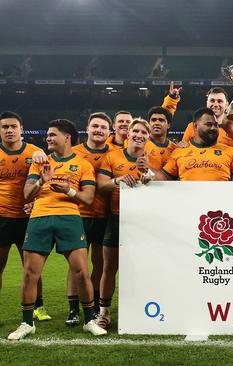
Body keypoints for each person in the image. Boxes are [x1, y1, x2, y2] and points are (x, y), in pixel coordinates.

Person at [8, 119, 106, 340]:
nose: (48, 138)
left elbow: (88, 198)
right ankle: (26, 322)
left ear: (67, 137)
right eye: (47, 135)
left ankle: (89, 319)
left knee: (81, 272)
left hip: (70, 219)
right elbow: (26, 194)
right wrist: (42, 182)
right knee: (30, 274)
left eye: (53, 135)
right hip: (39, 218)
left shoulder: (83, 165)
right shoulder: (40, 163)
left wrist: (69, 190)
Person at [95, 118, 154, 330]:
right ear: (127, 134)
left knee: (145, 267)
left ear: (148, 137)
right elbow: (100, 186)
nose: (139, 135)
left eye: (143, 132)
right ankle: (104, 314)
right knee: (109, 267)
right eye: (135, 131)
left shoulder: (154, 157)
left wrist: (149, 173)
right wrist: (117, 180)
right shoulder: (112, 157)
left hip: (145, 221)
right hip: (117, 217)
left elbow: (165, 183)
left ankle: (144, 309)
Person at [66, 112, 115, 325]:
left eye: (103, 127)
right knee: (76, 265)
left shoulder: (115, 154)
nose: (98, 130)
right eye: (95, 126)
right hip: (77, 215)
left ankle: (94, 306)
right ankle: (73, 309)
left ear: (109, 132)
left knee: (99, 264)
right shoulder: (74, 152)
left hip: (103, 215)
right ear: (87, 127)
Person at [0, 111, 47, 321]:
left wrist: (35, 203)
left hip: (29, 218)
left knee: (32, 266)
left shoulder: (36, 152)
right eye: (5, 127)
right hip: (1, 217)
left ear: (21, 129)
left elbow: (46, 183)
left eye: (13, 126)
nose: (9, 130)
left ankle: (39, 307)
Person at [154, 108, 233, 182]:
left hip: (220, 210)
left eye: (216, 125)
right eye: (208, 124)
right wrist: (146, 169)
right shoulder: (180, 152)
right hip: (188, 208)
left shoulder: (230, 151)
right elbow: (164, 177)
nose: (213, 128)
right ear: (195, 126)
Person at [162, 82, 233, 147]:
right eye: (212, 101)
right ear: (207, 103)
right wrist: (171, 99)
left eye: (220, 101)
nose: (215, 104)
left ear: (227, 105)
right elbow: (184, 152)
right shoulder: (192, 127)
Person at [145, 106, 177, 170]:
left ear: (168, 125)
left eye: (161, 120)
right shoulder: (140, 145)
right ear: (149, 124)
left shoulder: (175, 149)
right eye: (153, 120)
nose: (156, 123)